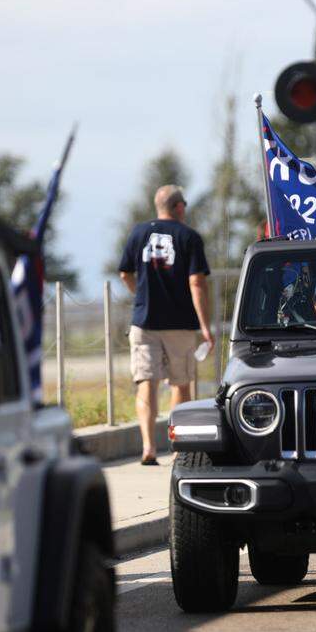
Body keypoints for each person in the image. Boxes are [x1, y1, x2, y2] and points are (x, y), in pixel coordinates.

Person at [118, 185, 212, 465]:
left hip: (144, 321)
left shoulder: (138, 233)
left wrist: (140, 295)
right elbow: (196, 282)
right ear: (179, 207)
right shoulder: (189, 237)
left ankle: (148, 447)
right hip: (180, 322)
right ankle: (178, 447)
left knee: (146, 382)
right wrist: (205, 326)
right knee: (181, 384)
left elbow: (125, 273)